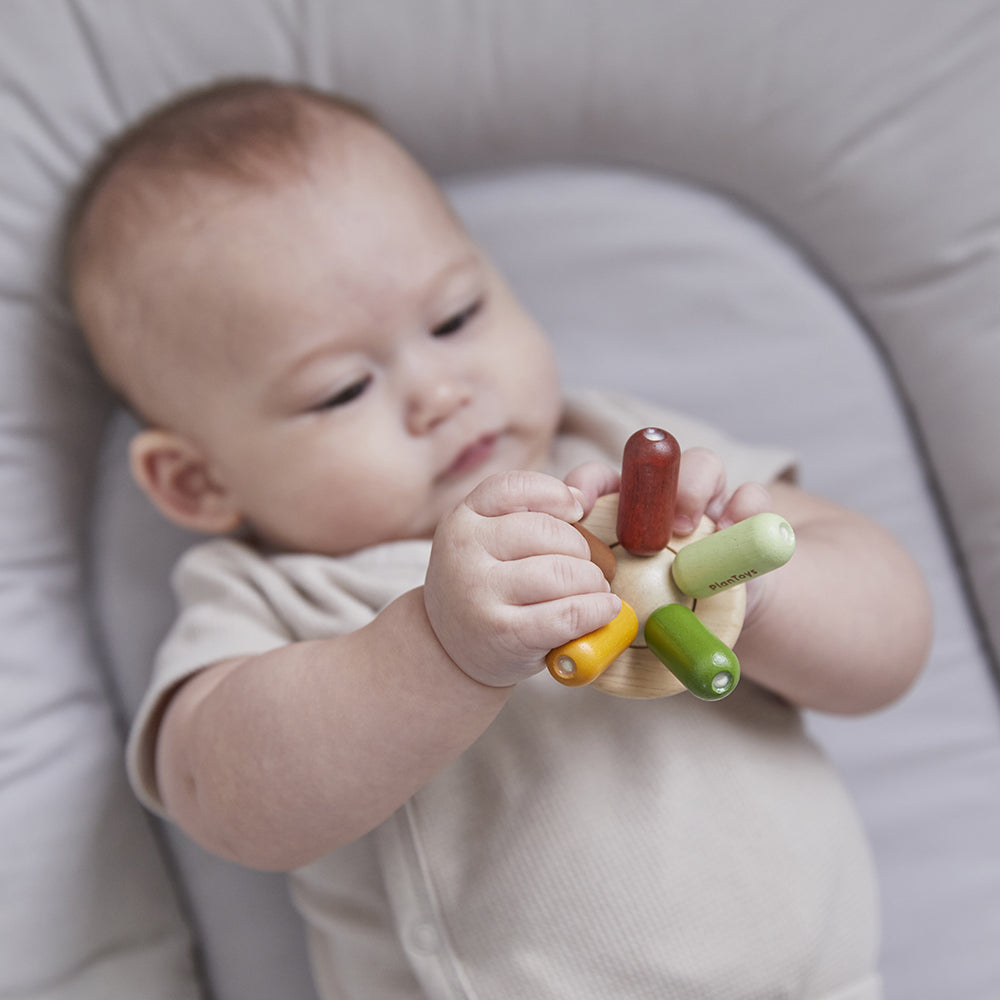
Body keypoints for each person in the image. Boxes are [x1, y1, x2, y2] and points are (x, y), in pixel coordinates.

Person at [66, 78, 932, 999]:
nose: (443, 390)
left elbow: (894, 642)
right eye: (341, 390)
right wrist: (437, 649)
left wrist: (757, 588)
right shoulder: (275, 595)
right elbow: (233, 808)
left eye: (455, 318)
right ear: (199, 481)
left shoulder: (633, 452)